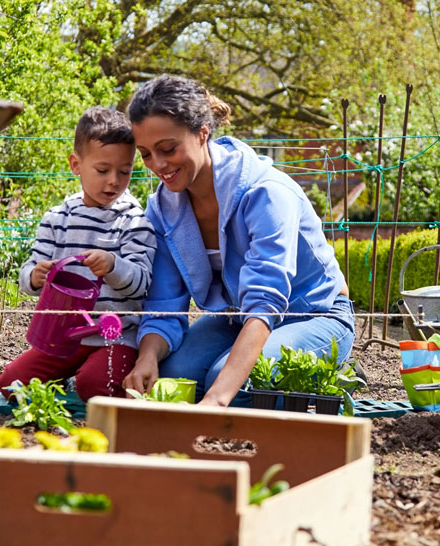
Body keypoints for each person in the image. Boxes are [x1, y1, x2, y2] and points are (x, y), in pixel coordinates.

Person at [121, 75, 355, 406]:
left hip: (315, 316)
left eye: (168, 149)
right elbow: (164, 302)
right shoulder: (164, 208)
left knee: (227, 384)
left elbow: (265, 301)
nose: (158, 165)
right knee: (173, 377)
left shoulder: (266, 193)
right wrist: (147, 357)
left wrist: (217, 399)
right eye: (145, 154)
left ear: (203, 132)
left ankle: (325, 371)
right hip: (235, 320)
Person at [0, 106, 155, 399]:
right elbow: (28, 274)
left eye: (125, 171)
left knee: (95, 387)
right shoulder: (58, 219)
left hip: (114, 338)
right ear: (76, 165)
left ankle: (83, 377)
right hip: (62, 336)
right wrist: (35, 276)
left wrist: (113, 265)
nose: (114, 181)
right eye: (102, 170)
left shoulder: (134, 221)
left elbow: (141, 282)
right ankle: (70, 374)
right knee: (12, 383)